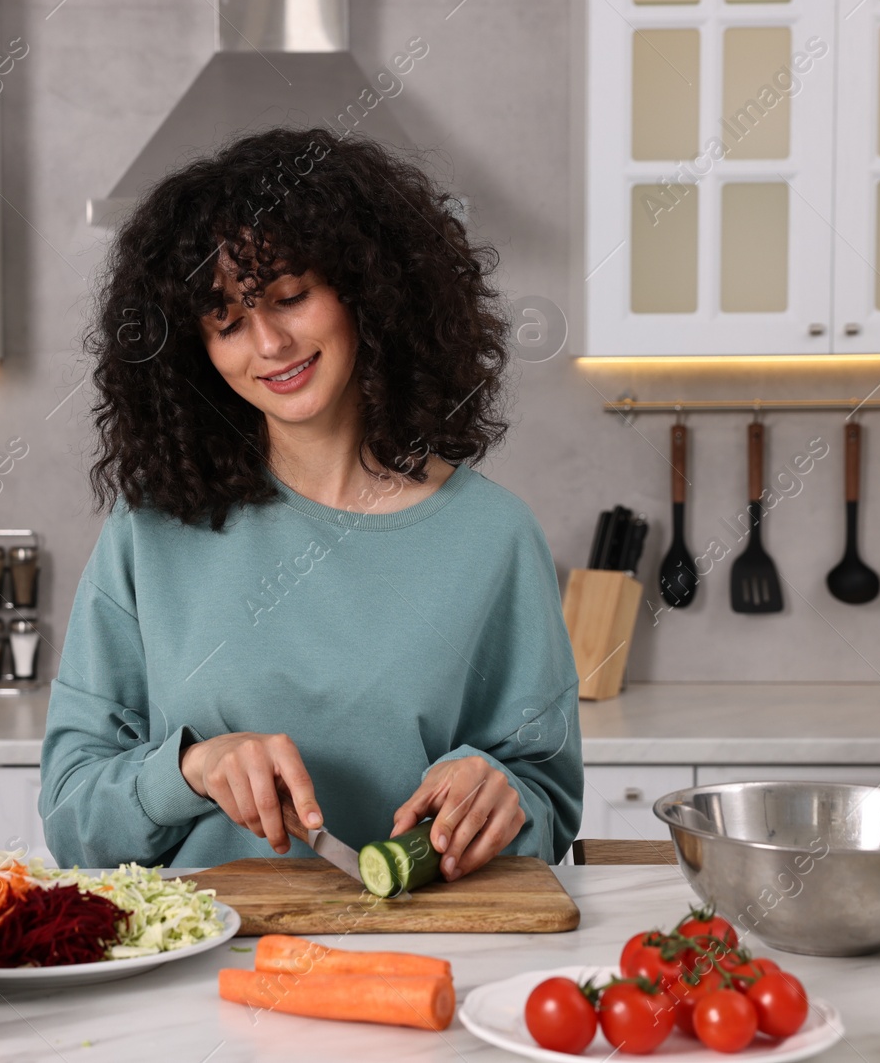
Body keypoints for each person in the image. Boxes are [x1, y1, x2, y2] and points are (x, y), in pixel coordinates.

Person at [39, 125, 581, 881]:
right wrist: (190, 768)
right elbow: (72, 820)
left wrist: (503, 791)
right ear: (196, 353)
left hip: (421, 959)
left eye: (290, 296)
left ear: (366, 288)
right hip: (199, 971)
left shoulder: (495, 537)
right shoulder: (149, 533)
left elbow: (547, 805)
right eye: (226, 322)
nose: (268, 343)